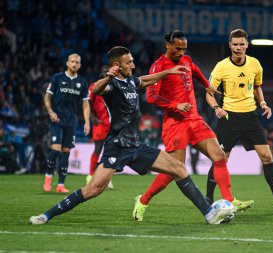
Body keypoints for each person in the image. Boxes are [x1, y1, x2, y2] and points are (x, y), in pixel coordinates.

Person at [29, 46, 235, 225]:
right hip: (116, 147)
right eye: (129, 62)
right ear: (117, 65)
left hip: (135, 146)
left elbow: (145, 80)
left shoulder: (130, 82)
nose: (133, 65)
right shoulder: (111, 85)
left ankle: (209, 215)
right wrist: (109, 76)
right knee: (92, 189)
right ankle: (47, 215)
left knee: (179, 169)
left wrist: (169, 71)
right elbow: (95, 89)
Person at [133, 30, 254, 222]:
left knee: (219, 156)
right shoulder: (158, 66)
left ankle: (230, 200)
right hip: (175, 123)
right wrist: (176, 105)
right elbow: (151, 96)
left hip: (194, 119)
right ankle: (144, 200)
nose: (181, 53)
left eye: (184, 49)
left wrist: (207, 85)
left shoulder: (187, 60)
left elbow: (196, 71)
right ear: (168, 45)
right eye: (178, 49)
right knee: (175, 170)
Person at [205, 29, 273, 212]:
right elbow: (209, 94)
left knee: (267, 155)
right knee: (221, 159)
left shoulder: (255, 64)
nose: (238, 47)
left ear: (247, 44)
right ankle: (207, 198)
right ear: (229, 45)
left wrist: (263, 103)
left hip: (250, 117)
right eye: (235, 44)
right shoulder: (221, 67)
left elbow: (256, 87)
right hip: (229, 117)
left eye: (241, 44)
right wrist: (217, 108)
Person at [43, 53, 90, 193]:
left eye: (77, 62)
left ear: (80, 65)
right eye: (72, 61)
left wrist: (87, 121)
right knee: (55, 149)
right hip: (57, 119)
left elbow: (85, 103)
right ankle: (48, 177)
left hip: (71, 121)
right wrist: (50, 111)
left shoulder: (82, 82)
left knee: (66, 152)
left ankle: (61, 185)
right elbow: (47, 96)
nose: (74, 64)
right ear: (67, 63)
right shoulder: (57, 78)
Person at [86, 66, 114, 189]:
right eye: (103, 72)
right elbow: (87, 102)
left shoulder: (114, 86)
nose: (105, 73)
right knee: (98, 149)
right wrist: (92, 118)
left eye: (107, 72)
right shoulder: (94, 86)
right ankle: (91, 175)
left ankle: (106, 177)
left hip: (112, 124)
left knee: (111, 151)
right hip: (100, 123)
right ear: (100, 73)